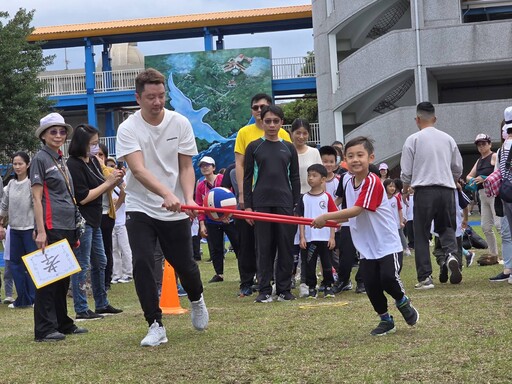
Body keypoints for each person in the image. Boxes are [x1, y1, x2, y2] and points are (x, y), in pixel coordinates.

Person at [116, 68, 208, 347]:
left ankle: (197, 300)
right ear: (138, 98)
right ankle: (155, 324)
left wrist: (188, 198)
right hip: (140, 205)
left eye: (161, 96)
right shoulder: (128, 128)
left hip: (175, 208)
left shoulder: (179, 122)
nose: (157, 102)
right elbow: (139, 170)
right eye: (150, 97)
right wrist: (166, 193)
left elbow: (185, 166)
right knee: (142, 262)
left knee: (185, 266)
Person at [312, 136, 419, 336]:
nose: (355, 160)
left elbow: (357, 210)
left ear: (370, 157)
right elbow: (346, 212)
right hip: (366, 246)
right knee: (370, 283)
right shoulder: (346, 180)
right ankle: (386, 320)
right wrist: (328, 222)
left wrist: (326, 216)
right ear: (344, 159)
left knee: (388, 278)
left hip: (387, 243)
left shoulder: (372, 182)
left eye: (360, 155)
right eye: (350, 156)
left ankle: (402, 301)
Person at [31, 112, 87, 342]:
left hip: (67, 225)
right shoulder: (40, 159)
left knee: (63, 278)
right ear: (43, 136)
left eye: (62, 131)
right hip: (51, 226)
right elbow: (35, 198)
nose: (58, 135)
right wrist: (41, 230)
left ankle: (63, 323)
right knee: (48, 279)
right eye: (53, 131)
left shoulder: (60, 158)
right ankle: (44, 329)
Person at [400, 102, 463, 289]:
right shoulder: (448, 139)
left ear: (417, 119)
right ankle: (452, 255)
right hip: (446, 189)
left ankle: (425, 277)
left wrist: (404, 190)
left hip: (424, 190)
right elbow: (457, 167)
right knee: (447, 228)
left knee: (421, 234)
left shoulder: (413, 139)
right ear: (434, 119)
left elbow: (406, 172)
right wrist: (452, 179)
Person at [234, 93, 290, 297]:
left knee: (282, 243)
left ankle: (282, 285)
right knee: (252, 243)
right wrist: (243, 196)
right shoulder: (245, 134)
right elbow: (241, 165)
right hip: (254, 197)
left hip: (281, 198)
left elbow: (290, 170)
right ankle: (249, 282)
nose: (259, 110)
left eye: (263, 107)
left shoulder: (284, 137)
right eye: (256, 107)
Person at [67, 124, 124, 320]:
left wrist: (114, 180)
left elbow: (102, 182)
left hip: (96, 219)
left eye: (96, 143)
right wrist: (108, 184)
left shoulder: (92, 161)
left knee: (101, 261)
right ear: (82, 143)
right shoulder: (73, 164)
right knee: (82, 264)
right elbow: (82, 197)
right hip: (83, 220)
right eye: (92, 144)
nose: (95, 148)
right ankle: (81, 308)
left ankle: (101, 303)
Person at [243, 105, 300, 303]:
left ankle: (284, 289)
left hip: (285, 203)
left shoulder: (289, 147)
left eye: (276, 121)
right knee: (264, 248)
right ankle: (265, 289)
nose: (272, 125)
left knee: (285, 247)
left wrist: (296, 205)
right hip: (261, 203)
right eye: (268, 121)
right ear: (262, 122)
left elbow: (295, 178)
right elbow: (247, 178)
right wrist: (248, 207)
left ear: (282, 123)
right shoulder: (254, 146)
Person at [0, 152, 37, 308]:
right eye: (15, 164)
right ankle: (22, 298)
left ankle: (34, 298)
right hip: (14, 230)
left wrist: (38, 228)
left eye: (20, 163)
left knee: (32, 265)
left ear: (28, 165)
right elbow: (4, 206)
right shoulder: (10, 186)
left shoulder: (32, 184)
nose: (17, 167)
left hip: (30, 230)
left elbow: (37, 206)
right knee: (15, 265)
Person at [195, 155, 239, 283]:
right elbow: (200, 206)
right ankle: (219, 274)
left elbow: (231, 198)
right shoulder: (200, 185)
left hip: (228, 220)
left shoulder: (221, 180)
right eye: (202, 166)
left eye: (207, 165)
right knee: (215, 248)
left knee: (238, 245)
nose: (204, 168)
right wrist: (202, 225)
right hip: (211, 221)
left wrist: (228, 215)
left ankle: (246, 273)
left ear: (214, 167)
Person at [290, 119, 322, 296]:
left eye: (304, 133)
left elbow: (321, 176)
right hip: (291, 199)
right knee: (293, 241)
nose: (301, 136)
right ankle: (289, 276)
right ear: (291, 133)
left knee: (309, 240)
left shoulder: (314, 152)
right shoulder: (286, 149)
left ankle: (306, 278)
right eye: (298, 133)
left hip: (311, 198)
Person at [298, 164, 337, 299]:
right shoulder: (304, 198)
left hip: (325, 238)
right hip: (309, 239)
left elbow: (333, 217)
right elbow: (301, 219)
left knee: (327, 264)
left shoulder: (326, 197)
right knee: (309, 264)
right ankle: (311, 287)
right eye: (309, 175)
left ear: (322, 180)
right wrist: (302, 237)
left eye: (314, 176)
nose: (310, 178)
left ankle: (327, 286)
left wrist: (332, 237)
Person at [465, 133, 500, 261]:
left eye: (484, 143)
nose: (481, 147)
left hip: (493, 193)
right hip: (482, 195)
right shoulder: (479, 160)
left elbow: (500, 172)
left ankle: (508, 253)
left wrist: (486, 178)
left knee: (499, 225)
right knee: (485, 226)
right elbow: (468, 176)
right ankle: (493, 254)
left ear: (490, 144)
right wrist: (474, 180)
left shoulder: (494, 156)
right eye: (479, 144)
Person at [97, 143, 118, 290]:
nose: (97, 158)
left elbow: (116, 182)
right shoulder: (87, 170)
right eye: (95, 155)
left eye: (100, 155)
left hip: (106, 215)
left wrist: (115, 207)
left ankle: (106, 281)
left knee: (106, 248)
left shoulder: (108, 170)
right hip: (92, 215)